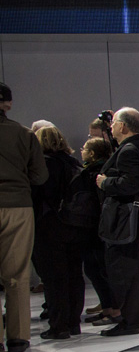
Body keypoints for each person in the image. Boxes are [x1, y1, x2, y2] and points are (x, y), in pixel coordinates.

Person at [96, 107, 139, 336]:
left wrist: (105, 182)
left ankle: (131, 321)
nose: (111, 126)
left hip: (130, 221)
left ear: (123, 126)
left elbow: (131, 183)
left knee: (127, 271)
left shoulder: (129, 150)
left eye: (114, 122)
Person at [0, 82, 48, 352]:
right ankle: (18, 339)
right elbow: (40, 176)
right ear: (8, 104)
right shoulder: (24, 134)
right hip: (18, 206)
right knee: (17, 275)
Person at [31, 126, 87, 340]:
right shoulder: (73, 163)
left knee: (54, 278)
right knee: (75, 274)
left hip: (49, 226)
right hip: (76, 225)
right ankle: (73, 322)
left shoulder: (43, 165)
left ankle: (58, 325)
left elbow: (38, 196)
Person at [78, 138, 120, 326]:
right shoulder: (97, 170)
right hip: (97, 226)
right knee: (96, 269)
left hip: (96, 227)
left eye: (85, 148)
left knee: (101, 269)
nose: (82, 151)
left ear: (92, 153)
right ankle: (107, 308)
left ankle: (113, 309)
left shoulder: (95, 173)